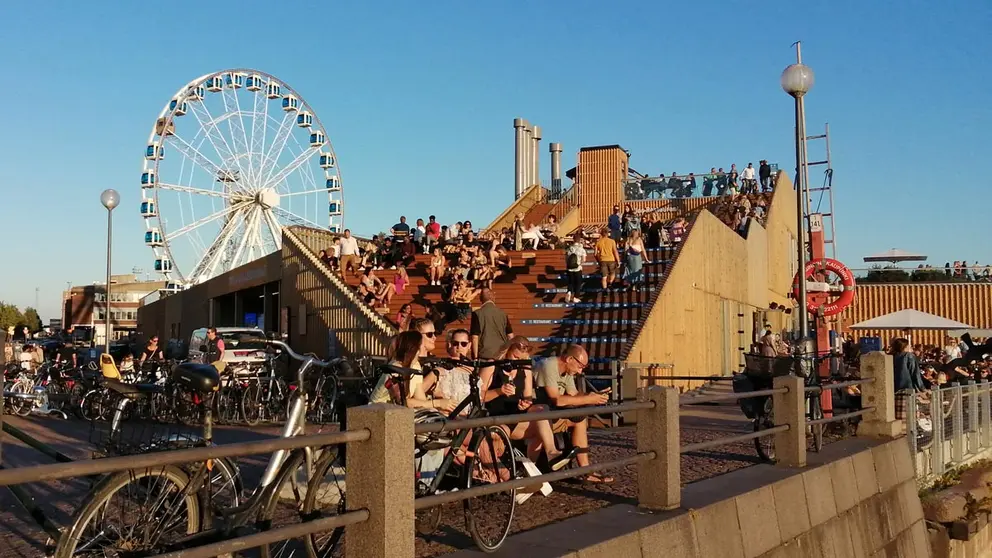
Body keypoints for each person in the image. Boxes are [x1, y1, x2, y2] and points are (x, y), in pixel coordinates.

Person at [481, 337, 570, 469]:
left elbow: (528, 397)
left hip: (517, 414)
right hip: (497, 416)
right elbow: (480, 396)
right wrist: (499, 391)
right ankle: (529, 470)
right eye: (515, 357)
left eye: (520, 359)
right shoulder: (493, 365)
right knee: (541, 427)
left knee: (542, 409)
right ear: (507, 351)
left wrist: (526, 403)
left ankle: (548, 455)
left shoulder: (525, 367)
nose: (516, 362)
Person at [534, 344, 613, 484]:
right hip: (537, 415)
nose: (580, 371)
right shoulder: (549, 366)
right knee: (574, 417)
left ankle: (585, 470)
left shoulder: (567, 371)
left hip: (551, 415)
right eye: (580, 366)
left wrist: (593, 396)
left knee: (580, 420)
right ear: (570, 359)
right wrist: (588, 398)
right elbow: (557, 400)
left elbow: (574, 395)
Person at [471, 288, 512, 360]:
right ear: (493, 297)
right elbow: (510, 336)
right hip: (501, 355)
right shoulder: (503, 314)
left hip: (484, 355)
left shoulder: (477, 313)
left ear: (481, 299)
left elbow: (475, 337)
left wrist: (475, 357)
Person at [890, 337, 925, 420]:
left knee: (898, 416)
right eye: (910, 346)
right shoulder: (908, 356)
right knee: (910, 416)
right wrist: (921, 388)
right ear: (905, 347)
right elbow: (915, 373)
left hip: (894, 389)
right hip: (907, 387)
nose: (911, 348)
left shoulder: (891, 356)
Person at [564, 233, 587, 304]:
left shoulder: (569, 249)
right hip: (577, 269)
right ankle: (576, 297)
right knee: (578, 283)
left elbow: (566, 258)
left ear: (573, 239)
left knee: (570, 282)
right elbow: (584, 259)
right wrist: (580, 264)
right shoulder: (581, 249)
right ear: (579, 240)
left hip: (569, 269)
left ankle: (569, 292)